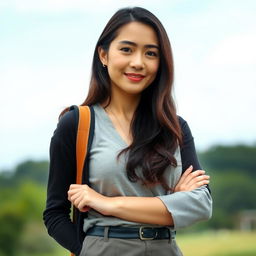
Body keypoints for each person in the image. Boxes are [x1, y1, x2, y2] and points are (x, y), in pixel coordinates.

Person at [43, 7, 212, 256]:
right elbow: (55, 214)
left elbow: (200, 204)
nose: (138, 62)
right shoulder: (76, 123)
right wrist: (170, 205)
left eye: (151, 53)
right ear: (103, 55)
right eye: (126, 49)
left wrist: (105, 203)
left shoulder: (174, 126)